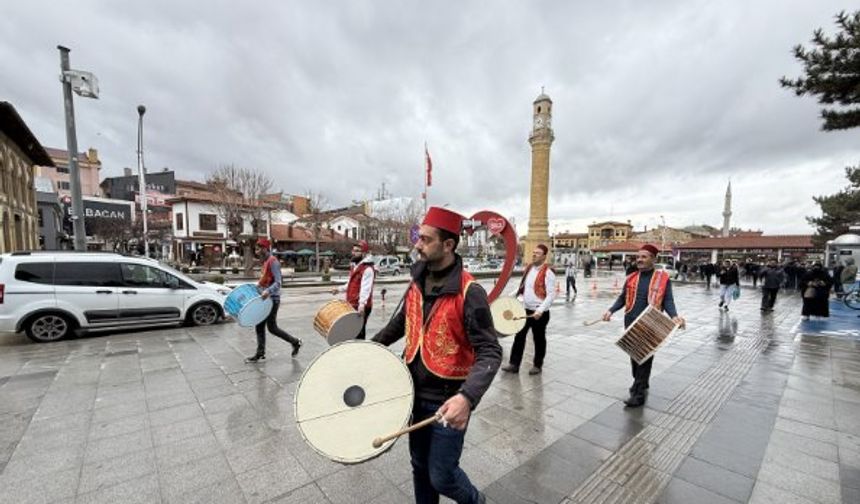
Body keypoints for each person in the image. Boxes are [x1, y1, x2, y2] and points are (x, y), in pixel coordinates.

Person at [372, 206, 501, 504]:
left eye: (426, 239)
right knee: (419, 467)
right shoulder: (416, 280)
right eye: (419, 237)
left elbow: (490, 350)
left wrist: (466, 398)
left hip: (447, 400)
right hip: (412, 394)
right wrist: (367, 350)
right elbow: (401, 323)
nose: (418, 244)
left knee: (442, 476)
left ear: (448, 245)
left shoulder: (470, 291)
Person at [602, 244, 684, 408]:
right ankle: (641, 382)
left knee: (644, 357)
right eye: (638, 257)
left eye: (644, 257)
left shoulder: (662, 278)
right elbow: (622, 298)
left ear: (653, 259)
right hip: (630, 321)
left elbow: (668, 300)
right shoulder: (631, 277)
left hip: (650, 322)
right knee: (634, 355)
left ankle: (638, 394)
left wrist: (674, 316)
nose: (639, 259)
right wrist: (610, 311)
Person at [502, 244, 557, 375]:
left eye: (537, 253)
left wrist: (541, 310)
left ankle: (537, 365)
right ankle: (514, 364)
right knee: (519, 337)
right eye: (534, 252)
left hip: (539, 312)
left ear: (544, 256)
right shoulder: (529, 269)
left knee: (539, 339)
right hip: (525, 310)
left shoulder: (548, 273)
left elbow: (551, 295)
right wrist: (510, 296)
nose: (534, 255)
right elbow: (523, 287)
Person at [245, 238, 302, 362]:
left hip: (272, 299)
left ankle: (295, 342)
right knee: (260, 325)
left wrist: (268, 291)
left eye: (258, 249)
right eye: (256, 249)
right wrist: (257, 288)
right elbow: (265, 280)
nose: (256, 251)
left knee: (272, 328)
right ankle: (260, 353)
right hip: (265, 299)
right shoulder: (265, 262)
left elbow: (278, 282)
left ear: (265, 249)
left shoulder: (273, 261)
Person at [331, 240, 376, 339]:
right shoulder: (355, 266)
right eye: (353, 250)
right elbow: (351, 283)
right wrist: (339, 289)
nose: (354, 253)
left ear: (364, 253)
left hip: (361, 306)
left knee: (358, 333)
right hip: (353, 304)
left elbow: (365, 288)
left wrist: (362, 305)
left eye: (357, 251)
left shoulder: (367, 269)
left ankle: (360, 348)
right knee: (353, 333)